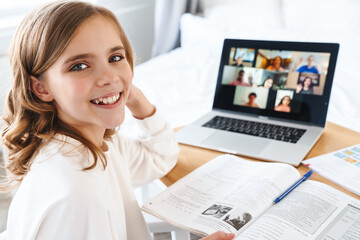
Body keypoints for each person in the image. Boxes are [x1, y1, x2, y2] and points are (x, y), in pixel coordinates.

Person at [0, 2, 234, 240]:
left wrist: (139, 103)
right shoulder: (77, 195)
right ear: (41, 88)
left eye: (115, 57)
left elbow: (160, 157)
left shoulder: (101, 143)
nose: (109, 77)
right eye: (80, 66)